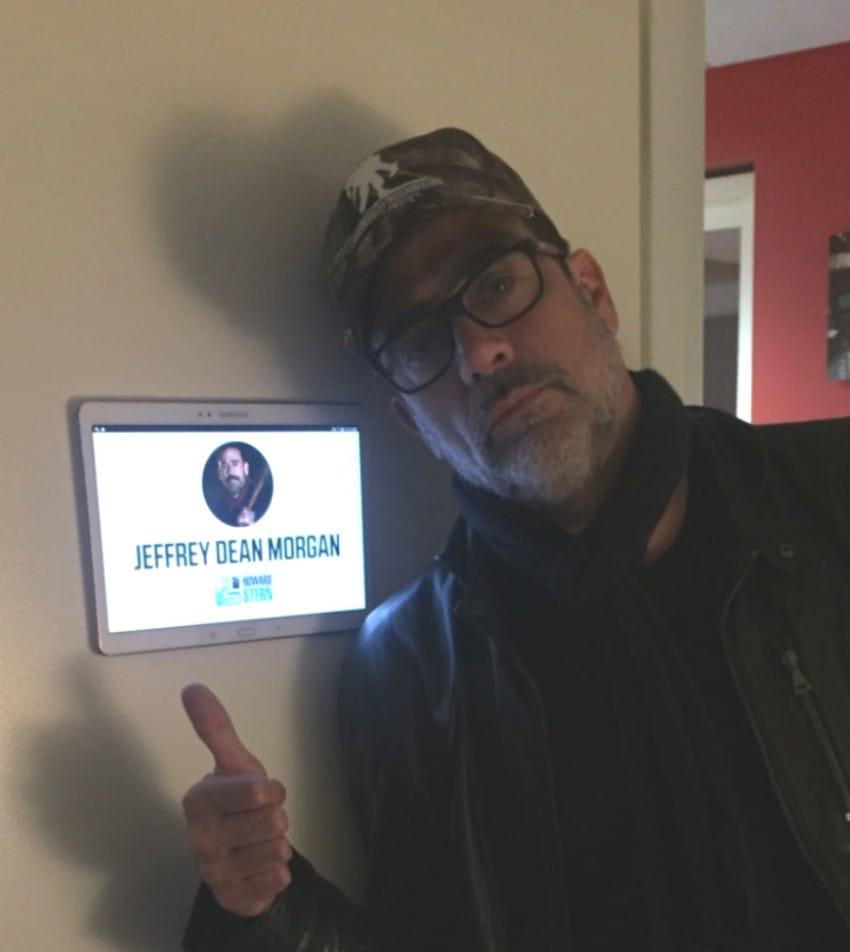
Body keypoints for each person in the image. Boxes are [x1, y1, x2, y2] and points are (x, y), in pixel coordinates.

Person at [180, 129, 850, 950]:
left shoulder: (828, 495)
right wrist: (262, 908)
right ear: (413, 423)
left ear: (593, 291)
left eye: (496, 283)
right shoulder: (409, 666)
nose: (478, 351)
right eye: (420, 342)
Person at [205, 443, 272, 527]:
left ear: (246, 468)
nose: (230, 471)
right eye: (224, 465)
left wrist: (254, 519)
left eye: (235, 463)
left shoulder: (266, 497)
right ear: (219, 473)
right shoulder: (215, 508)